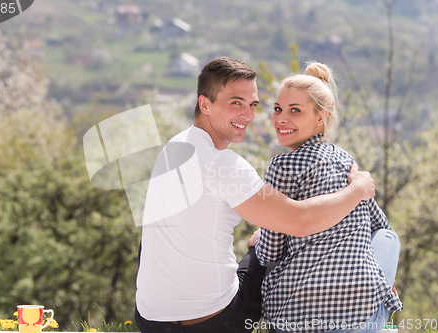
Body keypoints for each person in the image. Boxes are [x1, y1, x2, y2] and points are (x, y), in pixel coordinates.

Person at [135, 57, 376, 333]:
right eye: (236, 103)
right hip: (212, 324)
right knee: (272, 248)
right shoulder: (223, 165)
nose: (248, 116)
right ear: (205, 104)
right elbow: (301, 221)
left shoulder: (174, 146)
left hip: (149, 320)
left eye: (253, 105)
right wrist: (357, 190)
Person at [254, 62, 403, 333]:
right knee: (389, 238)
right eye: (278, 109)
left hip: (294, 319)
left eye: (294, 111)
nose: (281, 119)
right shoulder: (347, 162)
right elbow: (380, 225)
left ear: (321, 117)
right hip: (360, 318)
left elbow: (270, 252)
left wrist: (262, 237)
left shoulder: (281, 166)